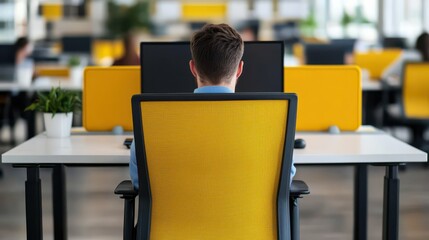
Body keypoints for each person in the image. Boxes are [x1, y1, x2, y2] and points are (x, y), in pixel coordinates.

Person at [129, 23, 296, 190]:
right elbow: (283, 182)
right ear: (239, 69)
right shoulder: (270, 127)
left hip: (175, 216)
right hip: (245, 216)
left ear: (193, 68)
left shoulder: (151, 126)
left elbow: (141, 185)